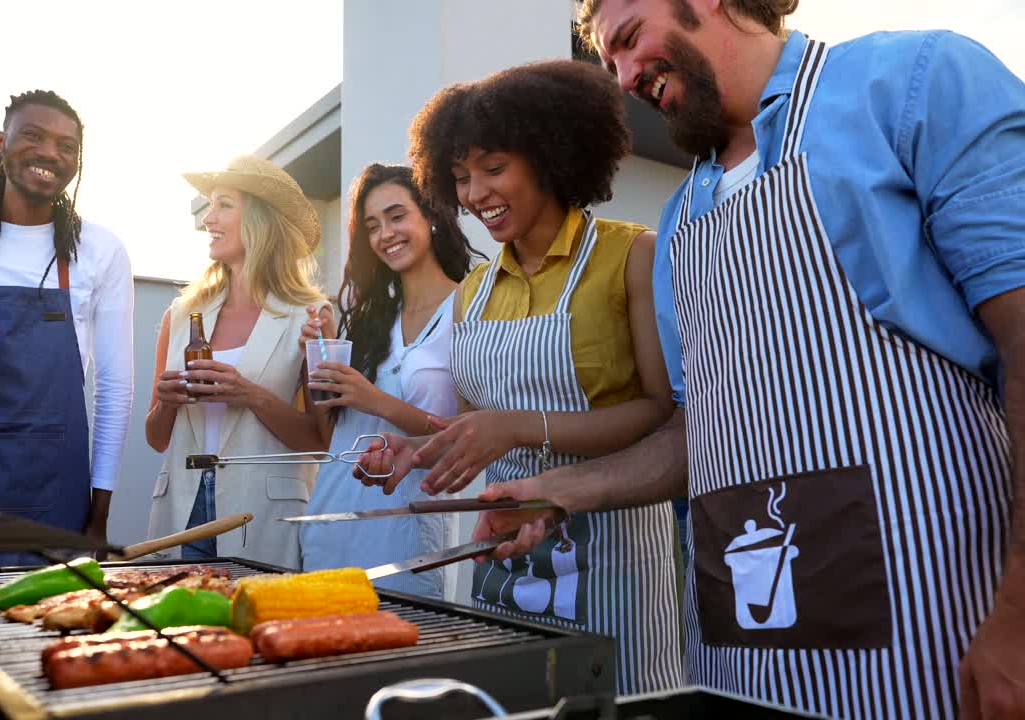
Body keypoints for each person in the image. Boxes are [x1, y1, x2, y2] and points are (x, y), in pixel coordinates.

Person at [464, 2, 1025, 717]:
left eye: (631, 40)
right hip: (741, 652)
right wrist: (559, 491)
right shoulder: (680, 222)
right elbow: (700, 433)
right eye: (610, 63)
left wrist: (1019, 614)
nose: (626, 76)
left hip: (932, 643)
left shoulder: (910, 84)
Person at [359, 60, 683, 694]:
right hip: (501, 542)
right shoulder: (472, 292)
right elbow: (481, 425)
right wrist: (419, 448)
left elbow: (659, 413)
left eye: (493, 168)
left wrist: (521, 428)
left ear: (550, 155)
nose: (475, 194)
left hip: (615, 551)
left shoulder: (633, 255)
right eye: (460, 178)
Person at [0, 90, 134, 563]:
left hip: (54, 498)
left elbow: (115, 389)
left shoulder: (99, 251)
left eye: (67, 146)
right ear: (0, 142)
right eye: (33, 135)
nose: (50, 152)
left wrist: (99, 516)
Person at [298, 163, 483, 599]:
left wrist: (376, 399)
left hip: (408, 533)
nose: (385, 234)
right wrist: (320, 358)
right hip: (332, 520)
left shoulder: (471, 307)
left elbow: (472, 436)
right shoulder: (369, 320)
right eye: (372, 225)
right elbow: (329, 434)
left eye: (397, 216)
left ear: (432, 214)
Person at [145, 155, 330, 569]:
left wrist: (249, 395)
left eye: (223, 204)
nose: (208, 219)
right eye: (210, 206)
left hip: (263, 514)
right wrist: (167, 400)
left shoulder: (311, 316)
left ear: (261, 219)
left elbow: (320, 441)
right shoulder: (180, 315)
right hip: (181, 509)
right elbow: (156, 438)